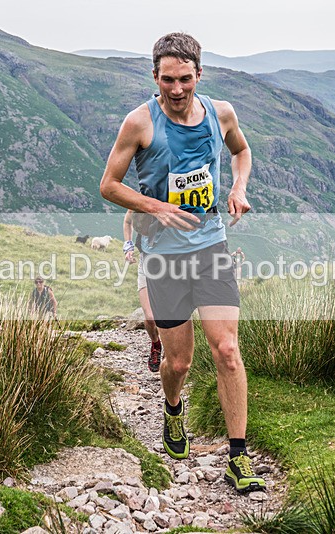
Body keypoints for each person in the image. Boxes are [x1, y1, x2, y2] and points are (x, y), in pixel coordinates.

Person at [100, 32, 266, 492]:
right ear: (155, 77)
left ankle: (239, 456)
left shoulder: (221, 113)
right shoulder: (139, 123)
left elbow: (242, 152)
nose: (177, 89)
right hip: (163, 260)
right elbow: (109, 185)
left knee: (228, 351)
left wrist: (238, 188)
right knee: (179, 363)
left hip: (211, 248)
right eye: (167, 80)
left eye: (185, 79)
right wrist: (156, 208)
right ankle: (172, 410)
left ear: (199, 75)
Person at [123, 209, 162, 372]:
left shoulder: (170, 196)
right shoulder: (139, 198)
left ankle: (172, 351)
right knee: (151, 317)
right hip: (145, 262)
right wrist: (128, 246)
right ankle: (156, 344)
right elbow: (127, 221)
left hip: (171, 265)